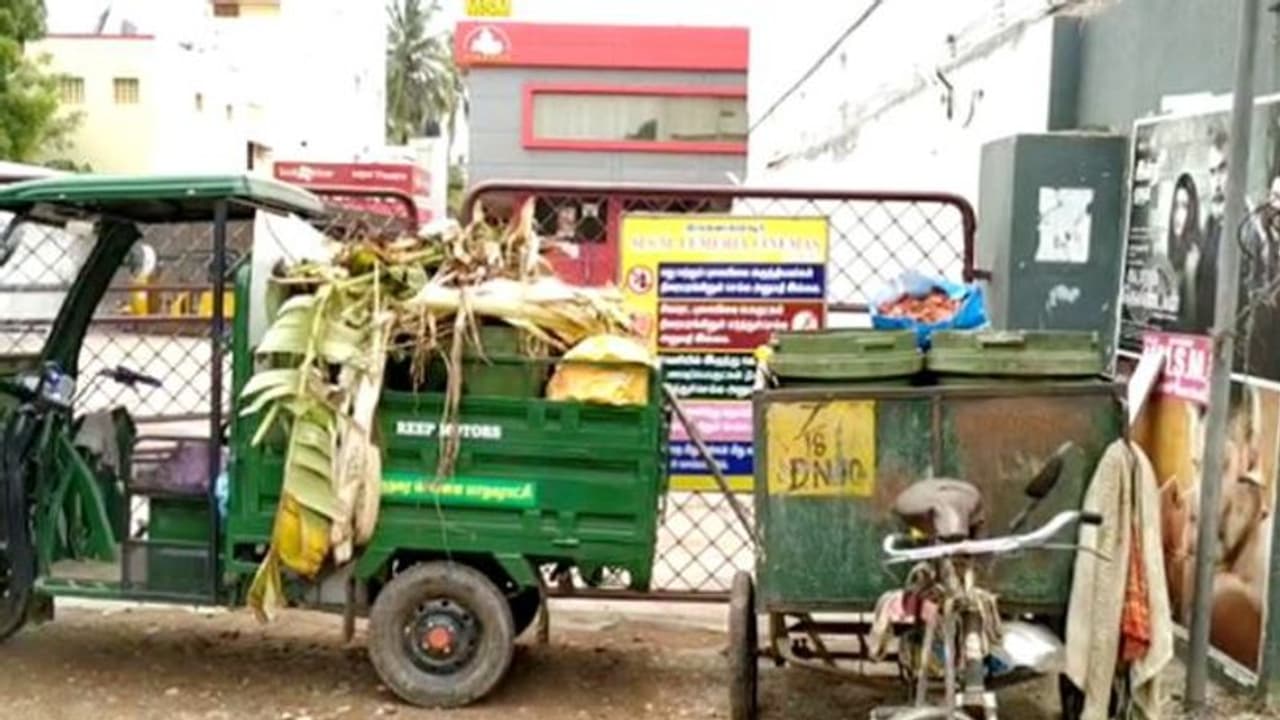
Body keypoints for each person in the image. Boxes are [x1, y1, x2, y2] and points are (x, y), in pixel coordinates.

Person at [1167, 174, 1209, 332]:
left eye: (1184, 207)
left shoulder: (1194, 256)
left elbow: (1192, 323)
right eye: (1175, 206)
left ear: (1192, 210)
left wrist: (1190, 275)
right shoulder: (1173, 254)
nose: (1178, 215)